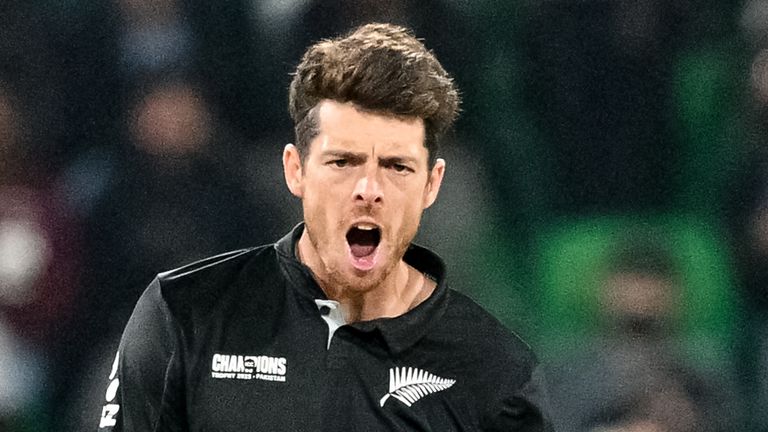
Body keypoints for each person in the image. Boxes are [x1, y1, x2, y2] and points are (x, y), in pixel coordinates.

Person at [97, 23, 553, 431]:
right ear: (296, 170)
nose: (368, 189)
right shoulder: (183, 316)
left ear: (431, 186)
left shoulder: (495, 370)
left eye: (397, 166)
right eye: (343, 162)